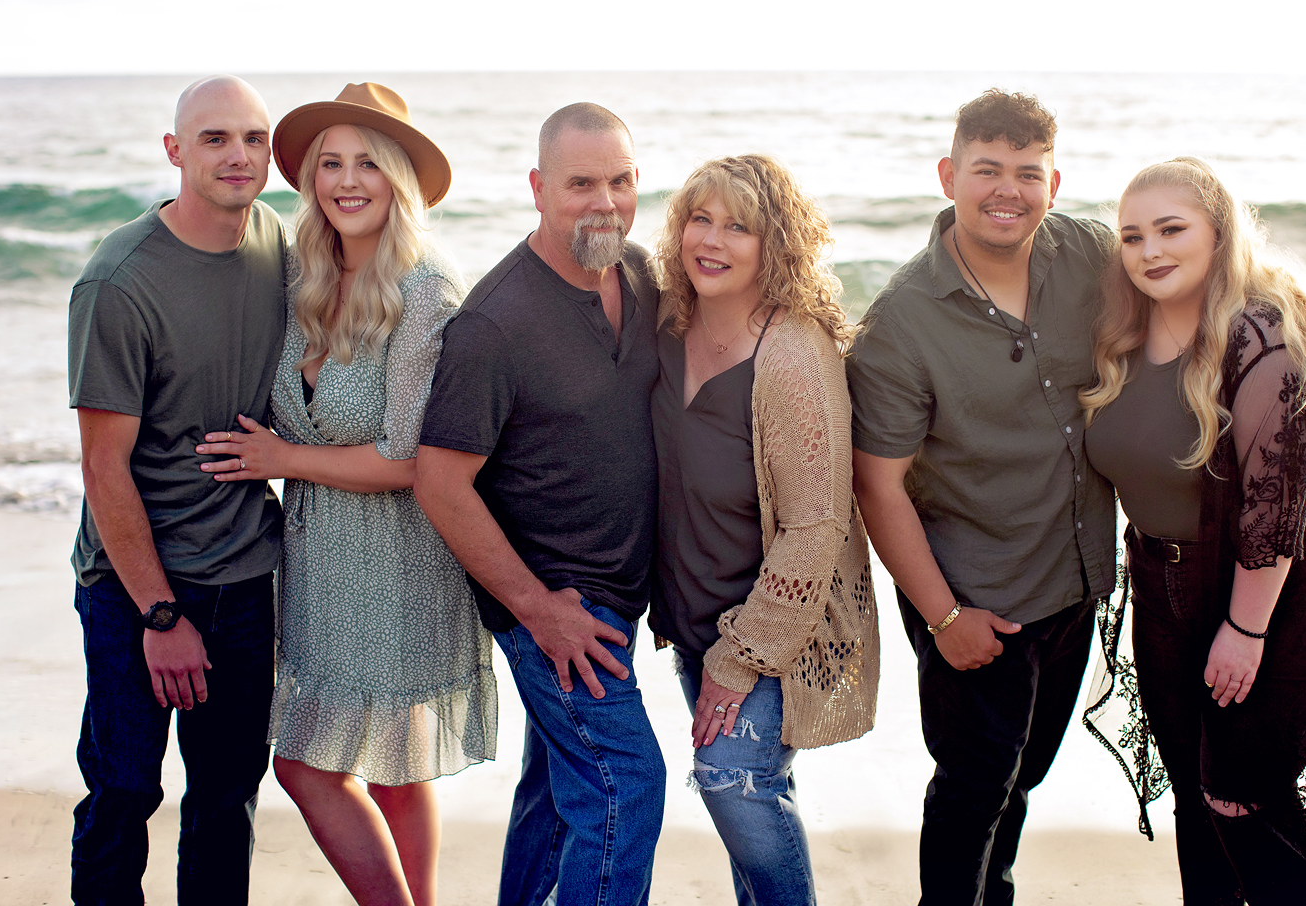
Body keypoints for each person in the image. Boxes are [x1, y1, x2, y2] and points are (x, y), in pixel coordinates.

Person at [193, 83, 497, 906]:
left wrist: (278, 458)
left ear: (400, 179)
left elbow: (407, 458)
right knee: (390, 772)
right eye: (330, 162)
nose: (346, 179)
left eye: (367, 162)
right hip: (320, 557)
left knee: (302, 764)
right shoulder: (305, 276)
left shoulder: (425, 288)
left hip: (400, 559)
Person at [846, 89, 1117, 906]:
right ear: (948, 176)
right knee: (972, 788)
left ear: (1055, 183)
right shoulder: (902, 321)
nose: (1008, 190)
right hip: (977, 597)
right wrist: (942, 618)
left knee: (1022, 777)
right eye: (987, 170)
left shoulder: (1092, 258)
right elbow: (876, 485)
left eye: (1027, 173)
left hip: (1073, 582)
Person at [1081, 157, 1306, 904]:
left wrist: (1245, 630)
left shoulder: (1261, 335)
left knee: (1240, 796)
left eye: (1171, 230)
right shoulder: (1121, 335)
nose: (1150, 251)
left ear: (1220, 232)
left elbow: (1274, 508)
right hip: (1163, 589)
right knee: (1194, 798)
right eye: (1132, 236)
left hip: (1289, 596)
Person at [413, 103, 664, 906]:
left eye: (621, 181)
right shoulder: (494, 324)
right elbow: (439, 483)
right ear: (537, 188)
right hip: (558, 606)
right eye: (581, 183)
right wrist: (536, 609)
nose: (605, 202)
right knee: (627, 787)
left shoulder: (644, 277)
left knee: (559, 799)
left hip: (618, 599)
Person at [67, 75, 286, 905]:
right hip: (134, 590)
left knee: (226, 802)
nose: (238, 156)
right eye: (215, 139)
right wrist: (161, 616)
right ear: (174, 151)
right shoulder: (119, 282)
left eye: (254, 139)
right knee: (124, 792)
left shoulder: (275, 242)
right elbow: (102, 467)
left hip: (241, 578)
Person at [649, 155, 880, 906]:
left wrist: (740, 657)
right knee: (746, 793)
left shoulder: (792, 354)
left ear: (774, 243)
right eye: (700, 219)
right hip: (691, 617)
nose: (711, 240)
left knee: (735, 783)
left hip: (771, 628)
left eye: (738, 226)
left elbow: (817, 528)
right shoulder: (669, 325)